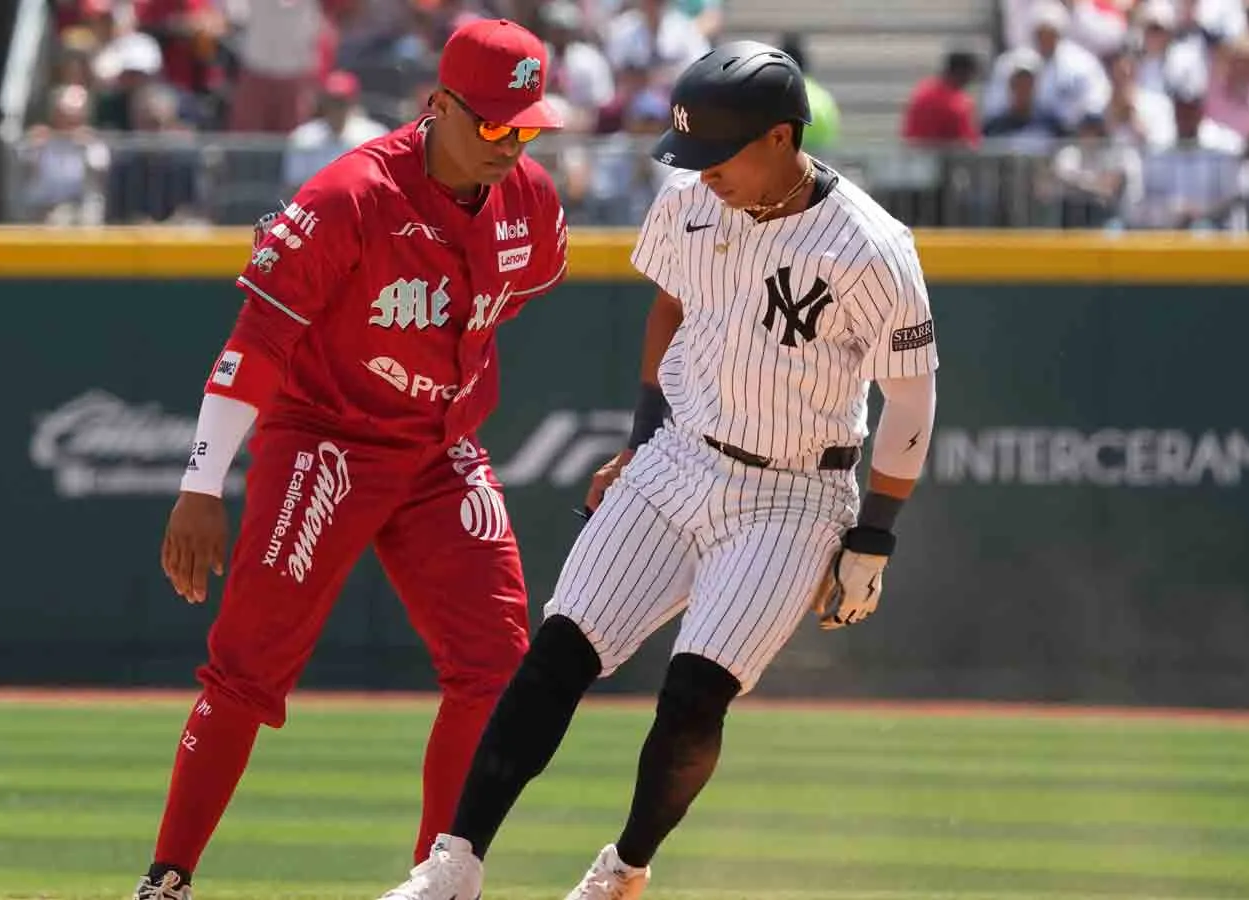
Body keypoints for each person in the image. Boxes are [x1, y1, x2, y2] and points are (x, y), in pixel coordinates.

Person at [376, 40, 940, 900]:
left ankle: (623, 870)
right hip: (678, 459)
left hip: (793, 494)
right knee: (556, 655)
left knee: (693, 693)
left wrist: (873, 541)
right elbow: (670, 306)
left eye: (721, 152)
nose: (702, 171)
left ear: (785, 138)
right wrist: (643, 438)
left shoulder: (870, 247)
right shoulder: (689, 203)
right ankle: (454, 866)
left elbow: (911, 401)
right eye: (693, 153)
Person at [132, 18, 570, 900]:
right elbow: (254, 342)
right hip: (327, 438)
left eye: (526, 125)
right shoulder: (349, 195)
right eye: (492, 124)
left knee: (497, 665)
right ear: (437, 104)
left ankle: (440, 884)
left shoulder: (531, 201)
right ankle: (167, 881)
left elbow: (500, 310)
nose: (510, 143)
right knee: (249, 669)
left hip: (439, 448)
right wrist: (200, 484)